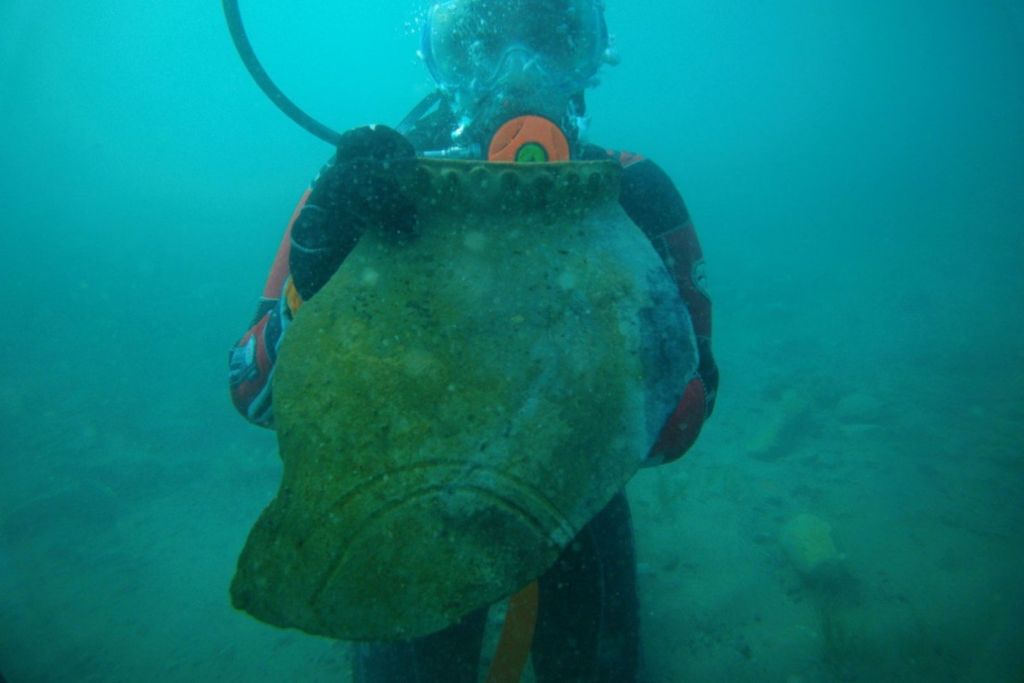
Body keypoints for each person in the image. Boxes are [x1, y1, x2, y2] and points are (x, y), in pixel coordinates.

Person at [228, 0, 718, 680]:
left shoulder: (633, 195)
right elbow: (255, 392)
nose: (518, 75)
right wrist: (315, 273)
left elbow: (683, 419)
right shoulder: (363, 188)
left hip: (578, 500)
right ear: (437, 60)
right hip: (405, 506)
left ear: (590, 56)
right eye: (479, 44)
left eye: (552, 40)